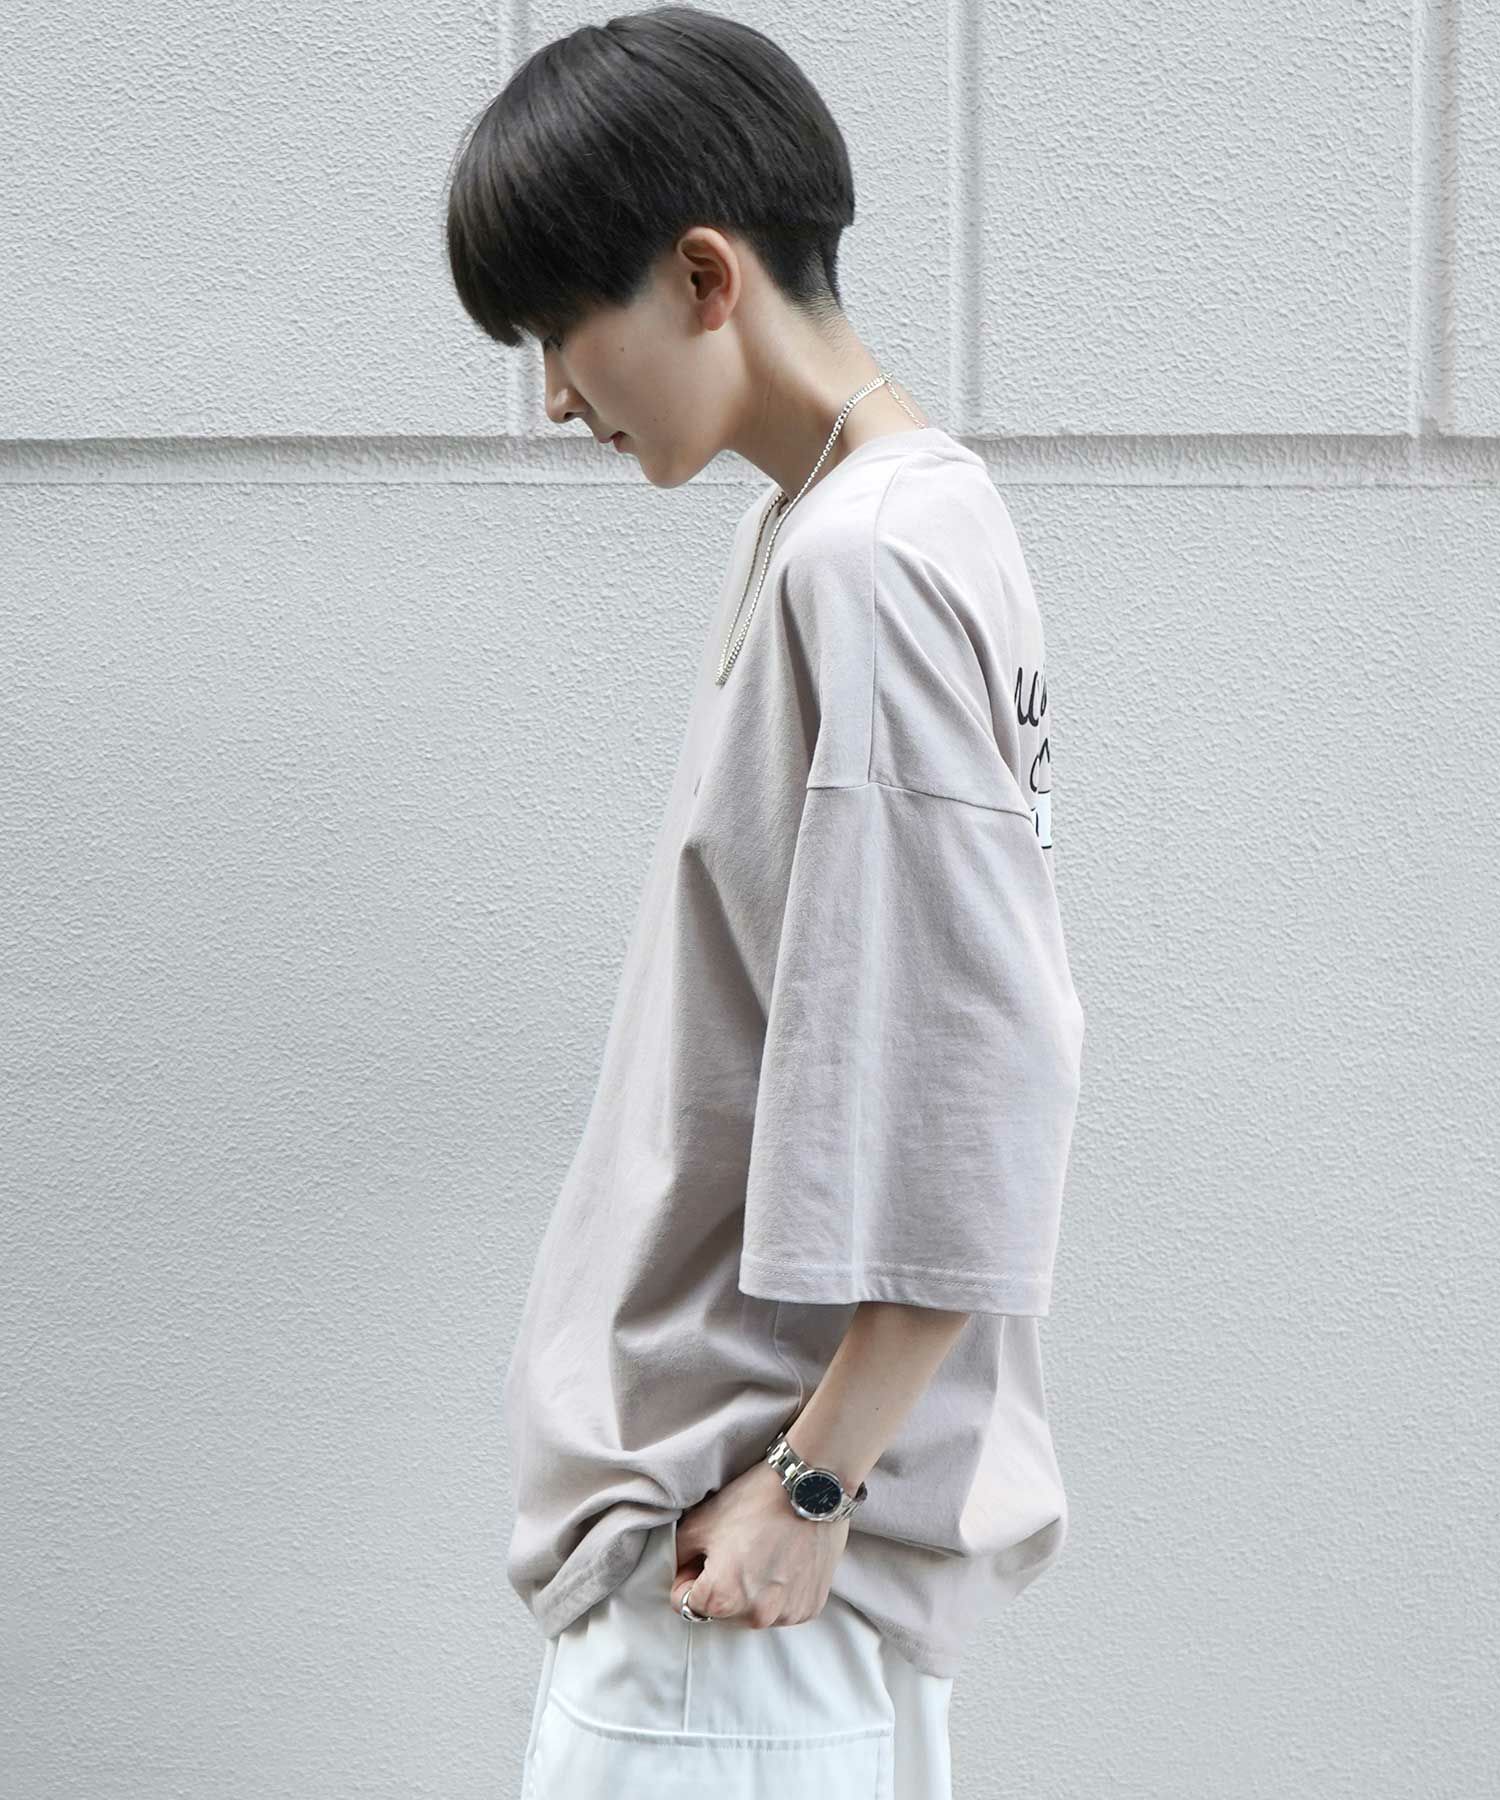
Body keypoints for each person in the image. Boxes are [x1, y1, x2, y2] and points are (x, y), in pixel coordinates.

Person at [442, 7, 1086, 1795]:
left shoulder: (867, 561)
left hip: (734, 1569)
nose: (556, 395)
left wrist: (810, 1485)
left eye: (561, 332)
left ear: (705, 276)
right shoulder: (851, 523)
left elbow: (985, 1069)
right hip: (745, 1557)